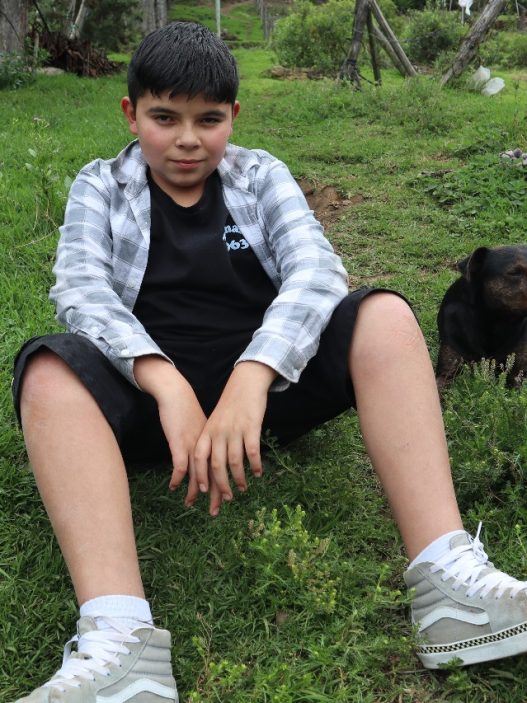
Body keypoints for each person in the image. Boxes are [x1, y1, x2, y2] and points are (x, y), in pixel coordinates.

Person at [11, 20, 527, 703]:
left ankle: (448, 582)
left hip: (262, 404)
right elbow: (80, 289)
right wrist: (165, 383)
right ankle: (120, 639)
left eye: (208, 119)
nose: (188, 139)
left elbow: (316, 271)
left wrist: (253, 376)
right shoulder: (100, 186)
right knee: (46, 368)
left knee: (383, 314)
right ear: (131, 114)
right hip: (152, 412)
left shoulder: (259, 176)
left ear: (234, 115)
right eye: (164, 118)